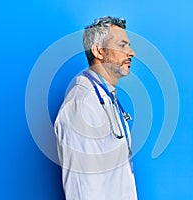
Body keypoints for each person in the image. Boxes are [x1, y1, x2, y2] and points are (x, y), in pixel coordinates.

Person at [54, 16, 137, 200]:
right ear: (98, 51)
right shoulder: (81, 106)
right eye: (122, 45)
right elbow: (83, 188)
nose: (131, 52)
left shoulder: (105, 98)